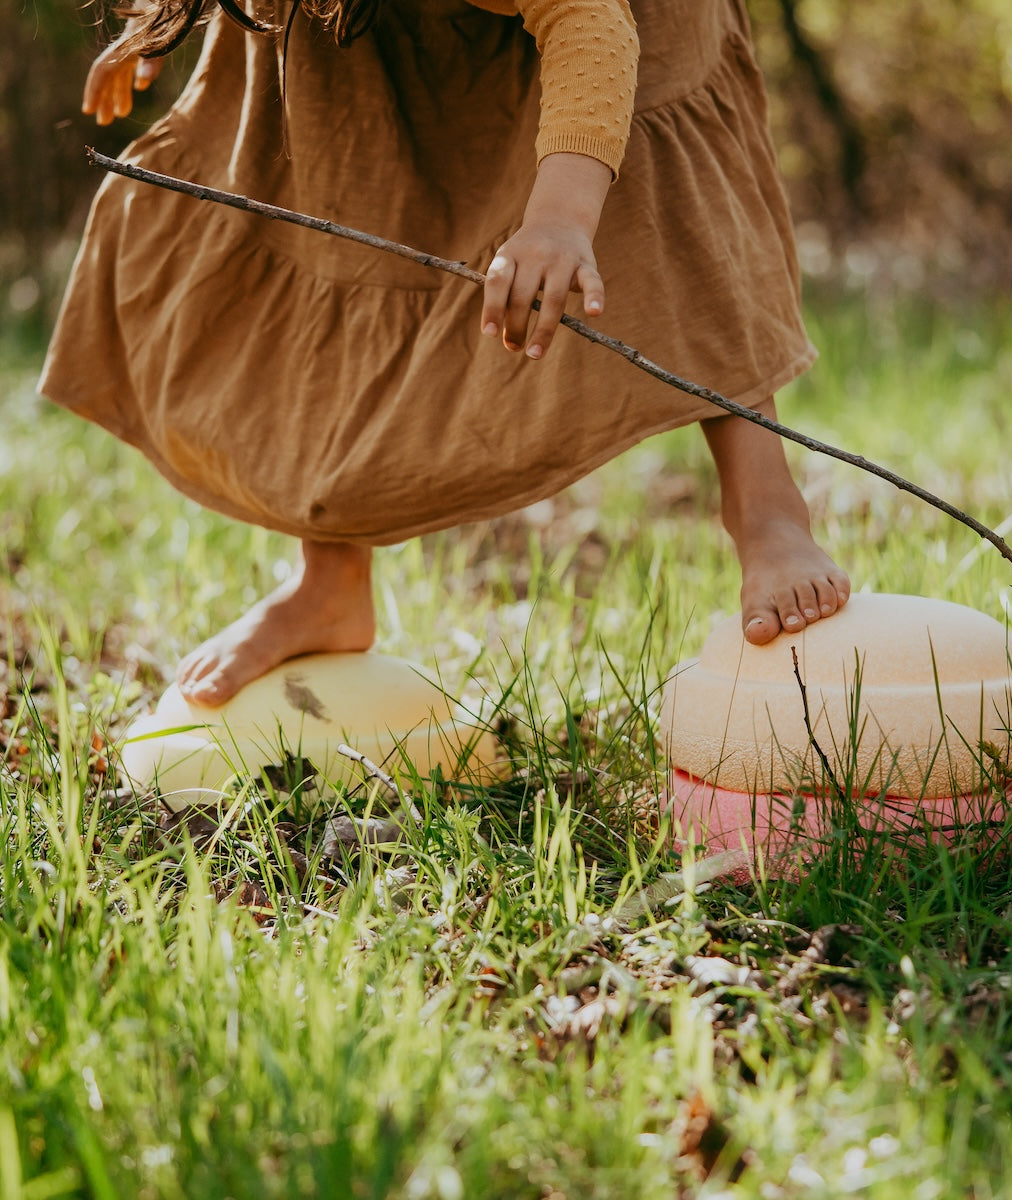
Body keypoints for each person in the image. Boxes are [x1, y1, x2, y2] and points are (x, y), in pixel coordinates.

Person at [41, 0, 850, 707]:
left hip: (611, 22)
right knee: (336, 186)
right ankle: (328, 585)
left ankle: (766, 511)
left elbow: (587, 19)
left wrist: (560, 219)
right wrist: (161, 22)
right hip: (365, 27)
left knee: (657, 195)